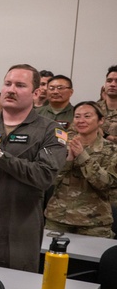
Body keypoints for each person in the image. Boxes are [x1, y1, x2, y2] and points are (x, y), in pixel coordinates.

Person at [0, 64, 67, 272]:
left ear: (36, 93)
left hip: (20, 229)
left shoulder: (50, 131)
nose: (11, 90)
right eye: (7, 84)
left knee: (17, 287)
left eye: (20, 85)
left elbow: (44, 176)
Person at [44, 101, 117, 237]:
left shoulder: (112, 150)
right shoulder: (61, 146)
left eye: (87, 116)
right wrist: (68, 161)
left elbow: (106, 183)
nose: (81, 120)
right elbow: (48, 180)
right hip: (58, 218)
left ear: (101, 120)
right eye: (77, 116)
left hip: (94, 221)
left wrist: (83, 156)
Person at [98, 65, 117, 143]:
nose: (112, 84)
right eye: (109, 81)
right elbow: (72, 133)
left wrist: (106, 136)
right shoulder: (92, 108)